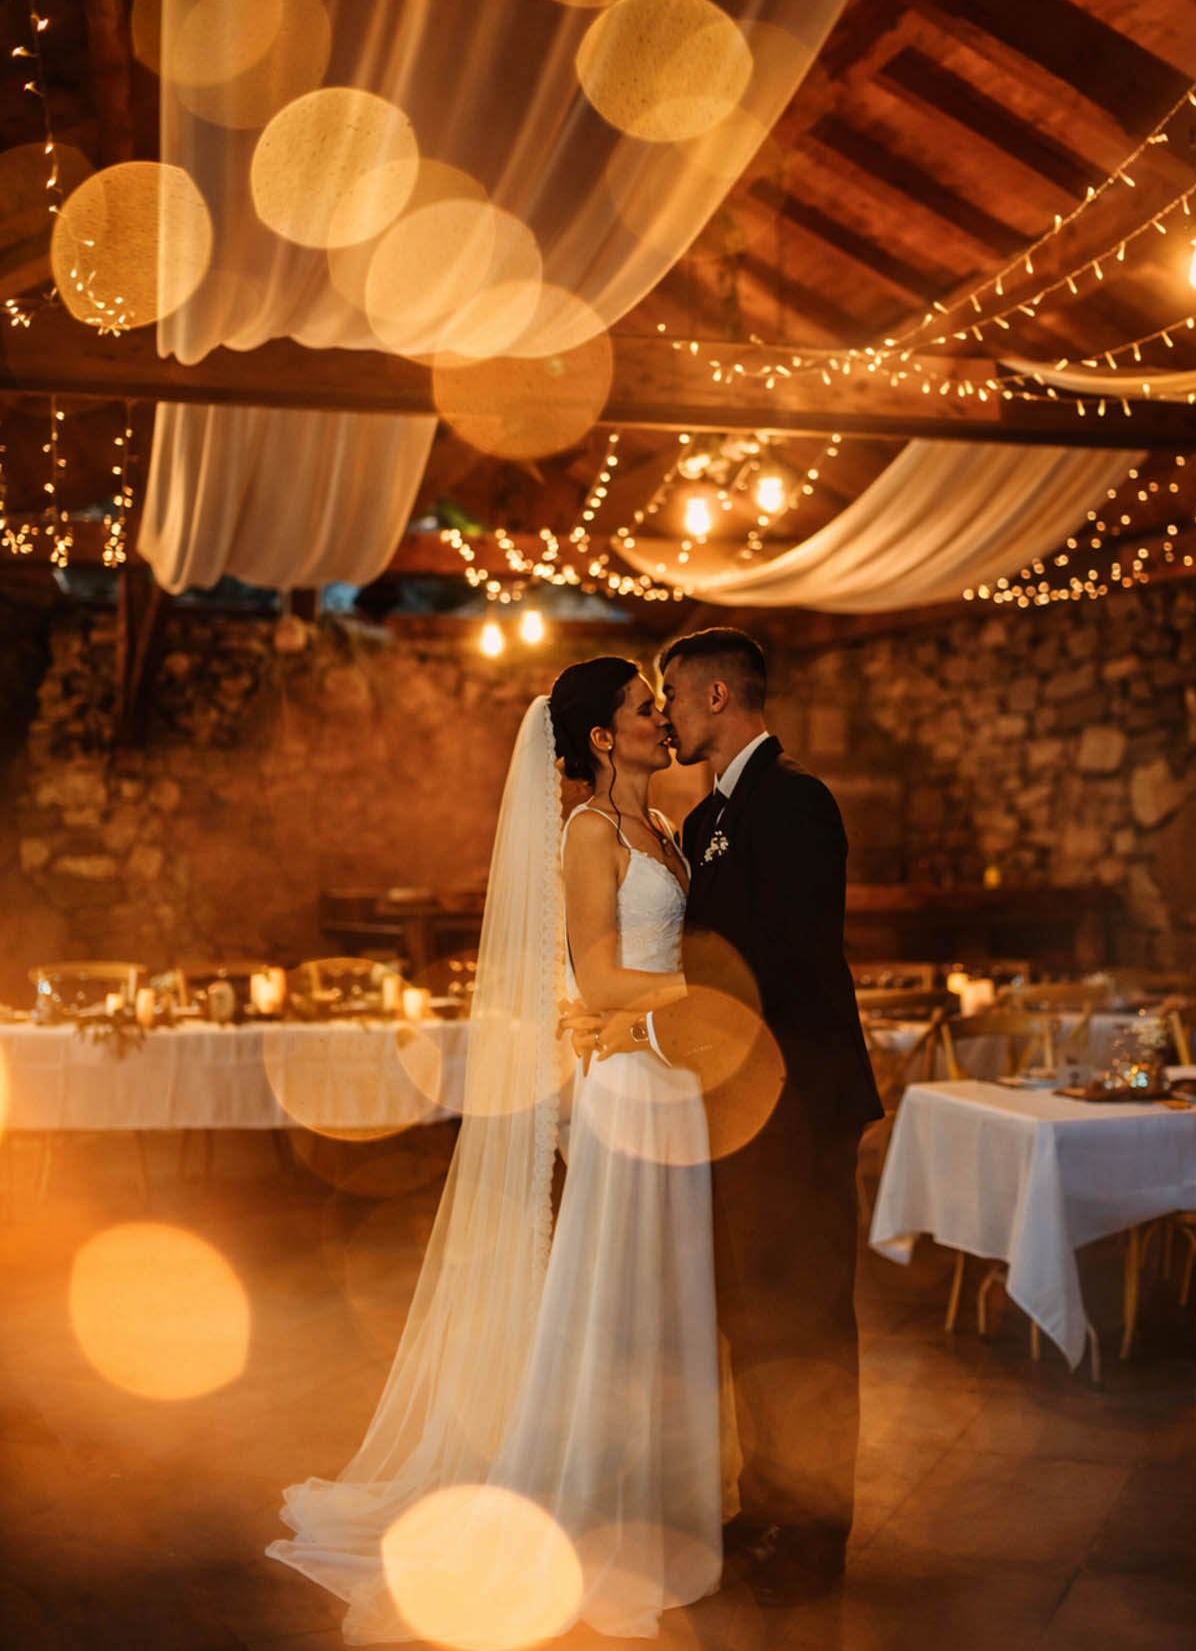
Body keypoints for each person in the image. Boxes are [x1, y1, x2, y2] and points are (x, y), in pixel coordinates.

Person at [268, 658, 723, 1645]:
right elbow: (597, 980)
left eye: (659, 704)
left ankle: (656, 1500)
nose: (660, 717)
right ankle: (583, 1504)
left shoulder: (666, 827)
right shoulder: (588, 831)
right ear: (600, 737)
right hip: (626, 1087)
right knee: (611, 1299)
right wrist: (709, 993)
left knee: (666, 1294)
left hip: (674, 1082)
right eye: (643, 706)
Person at [573, 627, 882, 1607]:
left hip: (798, 1103)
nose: (664, 714)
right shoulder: (709, 813)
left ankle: (814, 1532)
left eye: (670, 695)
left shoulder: (793, 800)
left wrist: (647, 1011)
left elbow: (782, 959)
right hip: (737, 1106)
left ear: (714, 695)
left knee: (807, 1321)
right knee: (753, 1312)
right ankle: (764, 1506)